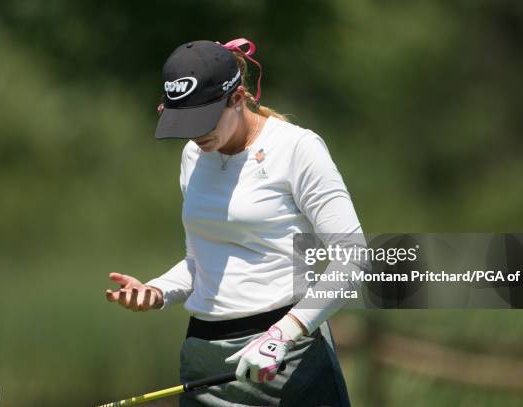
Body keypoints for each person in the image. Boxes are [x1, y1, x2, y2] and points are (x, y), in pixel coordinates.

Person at [105, 38, 363, 406]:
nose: (196, 134)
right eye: (186, 122)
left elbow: (353, 258)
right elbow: (203, 261)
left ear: (238, 98)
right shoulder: (194, 155)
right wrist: (159, 290)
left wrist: (284, 334)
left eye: (204, 120)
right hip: (204, 363)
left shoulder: (296, 149)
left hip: (284, 360)